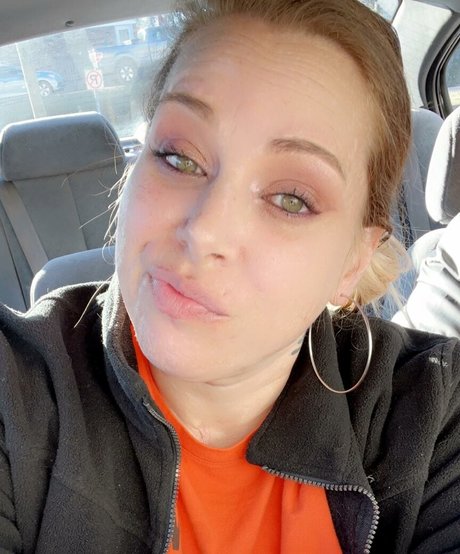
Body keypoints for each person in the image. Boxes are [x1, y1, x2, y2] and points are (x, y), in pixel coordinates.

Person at [0, 0, 459, 552]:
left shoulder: (432, 413)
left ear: (353, 262)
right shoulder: (16, 393)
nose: (205, 231)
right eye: (178, 157)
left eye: (291, 199)